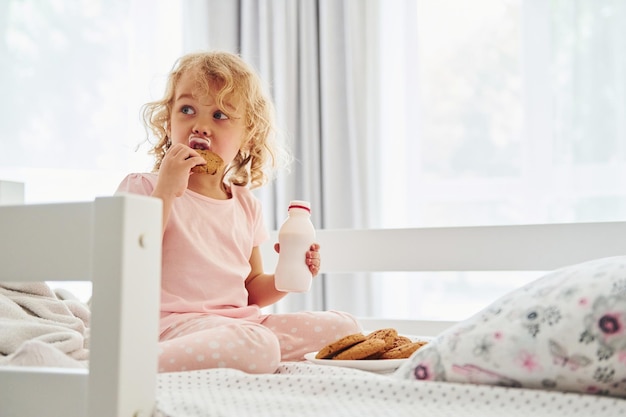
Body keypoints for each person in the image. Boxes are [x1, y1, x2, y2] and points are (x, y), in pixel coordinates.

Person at [117, 51, 361, 374]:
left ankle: (242, 350)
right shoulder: (145, 188)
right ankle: (129, 366)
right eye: (187, 110)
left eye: (219, 115)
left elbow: (252, 290)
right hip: (169, 328)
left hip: (240, 326)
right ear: (168, 122)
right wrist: (167, 191)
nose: (200, 126)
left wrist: (288, 276)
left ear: (247, 137)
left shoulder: (246, 205)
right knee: (259, 346)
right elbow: (127, 262)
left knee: (345, 329)